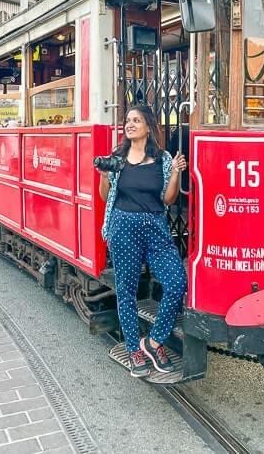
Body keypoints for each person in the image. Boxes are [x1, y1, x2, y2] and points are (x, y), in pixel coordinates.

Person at [98, 105, 187, 378]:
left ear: (149, 126)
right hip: (123, 226)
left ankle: (152, 342)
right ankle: (133, 350)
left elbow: (168, 200)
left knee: (176, 282)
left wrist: (174, 173)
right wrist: (104, 176)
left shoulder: (162, 159)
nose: (130, 125)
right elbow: (105, 197)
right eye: (128, 121)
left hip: (155, 227)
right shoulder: (118, 157)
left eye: (136, 120)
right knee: (126, 292)